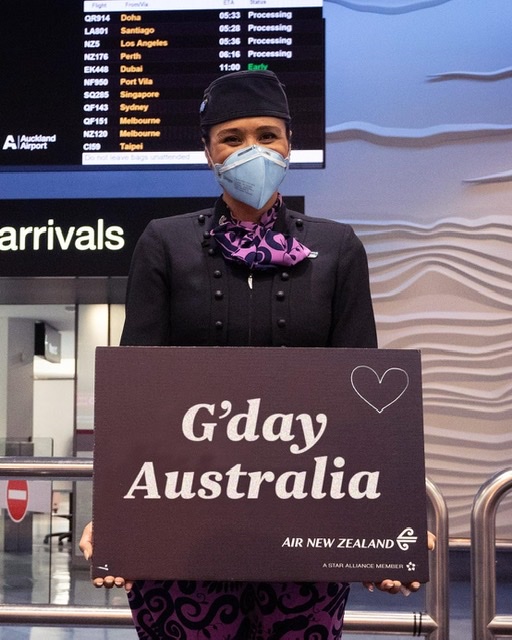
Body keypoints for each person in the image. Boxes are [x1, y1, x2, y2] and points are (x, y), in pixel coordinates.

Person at [80, 70, 434, 639]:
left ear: (289, 143)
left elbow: (362, 400)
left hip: (306, 530)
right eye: (233, 137)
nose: (253, 150)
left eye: (268, 135)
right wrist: (118, 517)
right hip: (180, 525)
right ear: (208, 151)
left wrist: (386, 524)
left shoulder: (338, 247)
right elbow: (136, 393)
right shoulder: (164, 243)